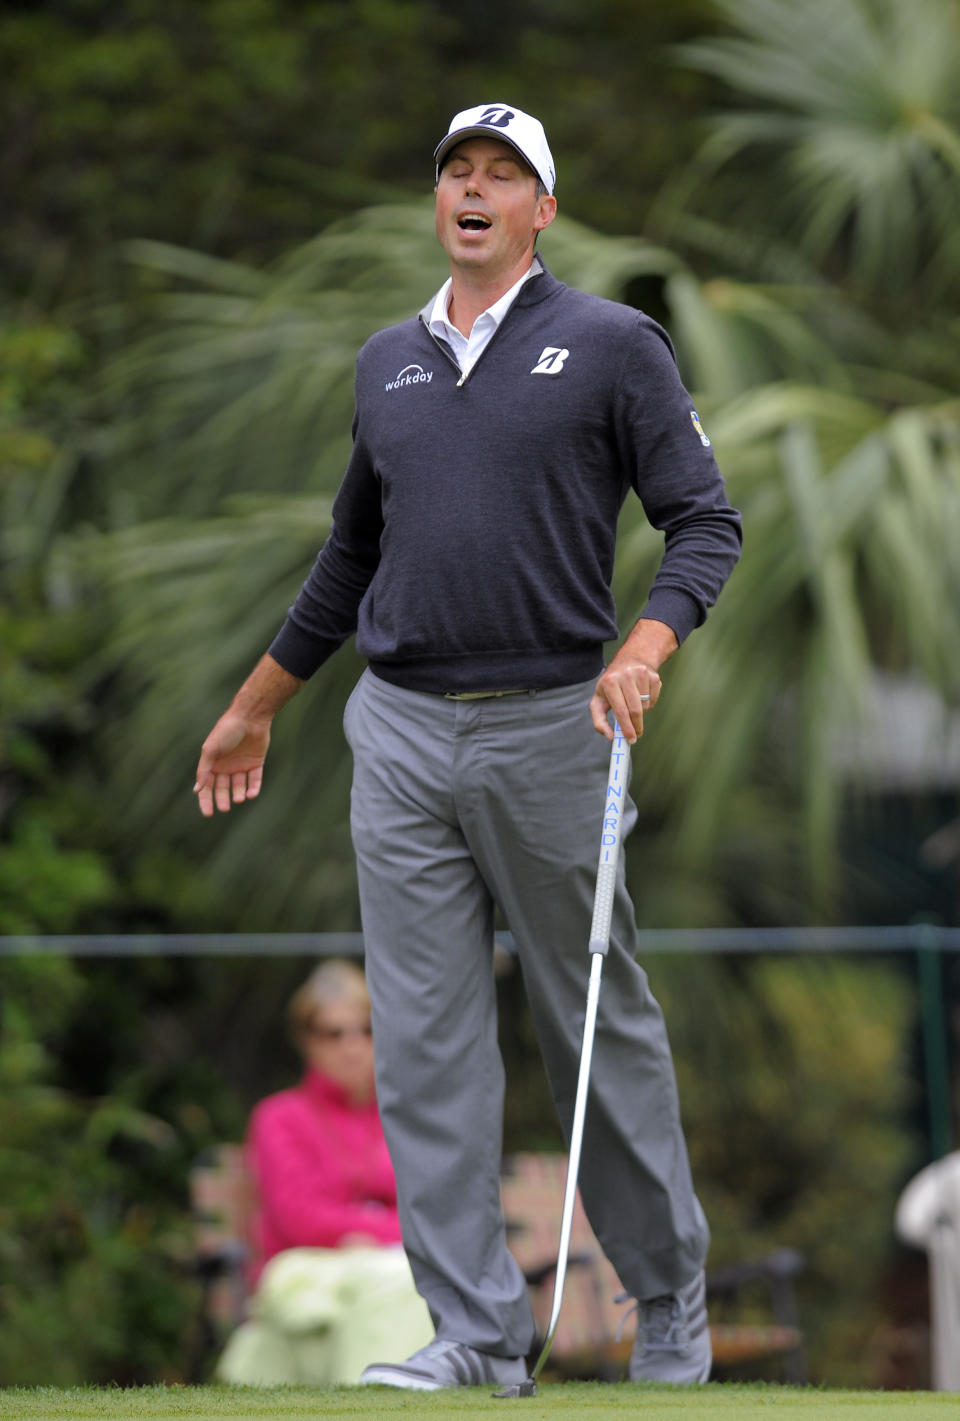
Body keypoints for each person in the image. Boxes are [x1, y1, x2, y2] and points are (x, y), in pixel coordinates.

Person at [194, 102, 742, 1390]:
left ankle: (665, 1302)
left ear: (543, 210)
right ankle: (476, 1337)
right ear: (437, 203)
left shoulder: (612, 345)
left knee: (594, 1020)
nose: (477, 189)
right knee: (428, 1039)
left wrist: (645, 647)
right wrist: (258, 697)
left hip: (559, 720)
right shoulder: (386, 360)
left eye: (505, 174)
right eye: (458, 172)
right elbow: (351, 555)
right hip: (397, 728)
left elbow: (702, 523)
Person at [215, 959, 433, 1385]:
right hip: (304, 1270)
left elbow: (438, 1211)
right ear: (307, 1040)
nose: (352, 1045)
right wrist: (391, 1231)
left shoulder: (404, 1119)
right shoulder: (280, 1117)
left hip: (378, 1274)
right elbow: (302, 1220)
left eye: (367, 1030)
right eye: (334, 1033)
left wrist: (371, 1235)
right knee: (400, 1282)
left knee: (391, 1285)